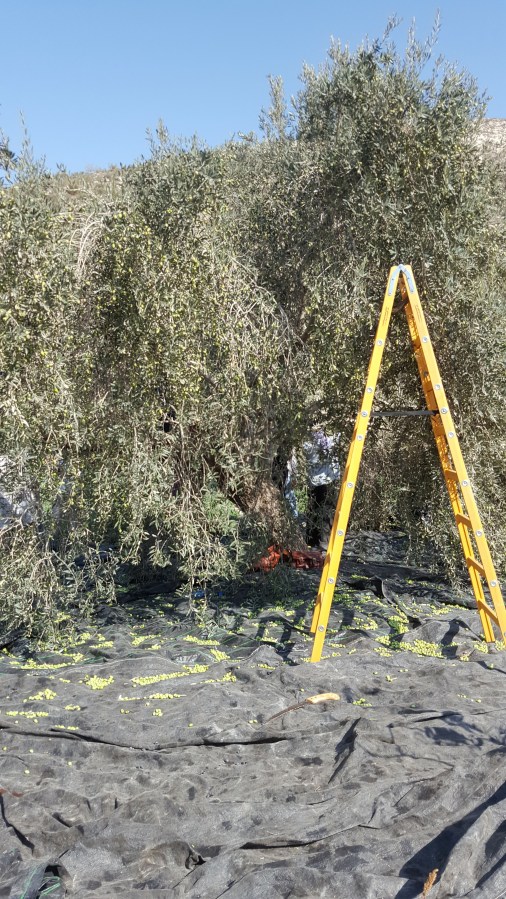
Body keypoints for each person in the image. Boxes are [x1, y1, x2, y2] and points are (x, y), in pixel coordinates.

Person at [303, 428, 340, 550]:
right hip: (325, 479)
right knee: (325, 510)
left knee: (314, 508)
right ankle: (323, 543)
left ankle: (311, 541)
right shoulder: (317, 439)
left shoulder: (309, 437)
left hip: (317, 480)